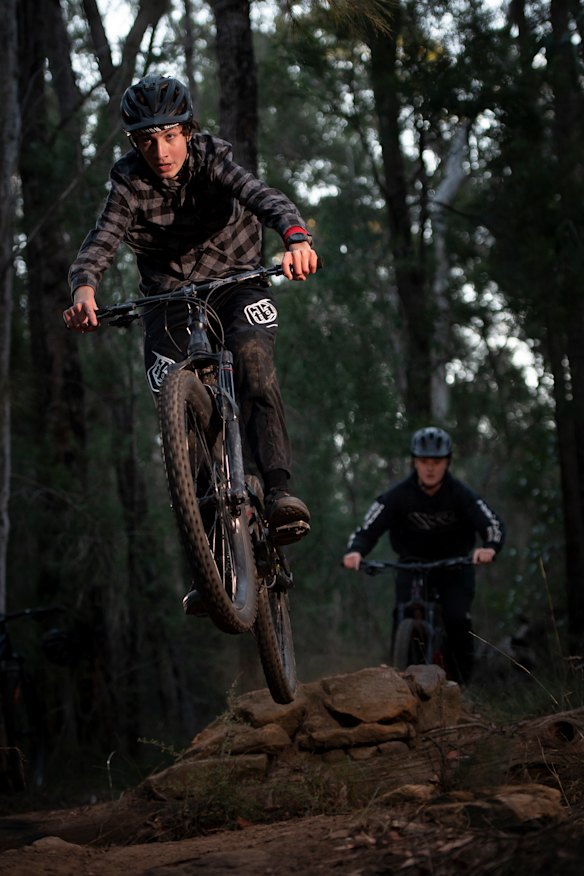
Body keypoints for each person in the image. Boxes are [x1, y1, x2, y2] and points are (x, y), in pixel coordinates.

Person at [63, 73, 319, 550]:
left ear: (187, 131)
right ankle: (211, 550)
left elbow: (263, 196)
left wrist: (295, 238)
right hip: (169, 298)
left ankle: (279, 488)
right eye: (146, 140)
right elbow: (102, 240)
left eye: (169, 137)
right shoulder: (128, 182)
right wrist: (84, 290)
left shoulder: (213, 158)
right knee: (170, 394)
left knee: (253, 363)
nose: (160, 151)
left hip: (237, 281)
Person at [342, 427, 505, 684]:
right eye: (424, 461)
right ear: (414, 462)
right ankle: (399, 680)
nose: (430, 468)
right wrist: (355, 551)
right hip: (412, 566)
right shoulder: (398, 495)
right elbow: (368, 528)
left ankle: (462, 686)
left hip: (455, 567)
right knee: (401, 614)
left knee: (456, 618)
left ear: (447, 462)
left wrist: (490, 547)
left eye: (437, 462)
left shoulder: (461, 494)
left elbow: (491, 523)